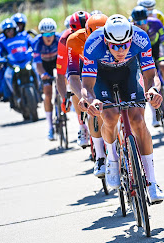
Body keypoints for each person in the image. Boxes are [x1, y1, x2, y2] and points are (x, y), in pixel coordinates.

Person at [80, 14, 164, 203]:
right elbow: (86, 84)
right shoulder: (94, 43)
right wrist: (90, 100)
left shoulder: (140, 38)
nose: (121, 50)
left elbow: (151, 75)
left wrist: (152, 89)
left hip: (128, 72)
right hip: (102, 77)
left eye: (125, 45)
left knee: (138, 121)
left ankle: (152, 182)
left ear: (131, 38)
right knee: (109, 117)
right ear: (106, 40)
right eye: (115, 46)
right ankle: (111, 157)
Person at [63, 14, 108, 178]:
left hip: (108, 69)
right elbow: (72, 76)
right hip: (86, 73)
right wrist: (85, 96)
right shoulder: (73, 41)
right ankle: (100, 156)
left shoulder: (114, 36)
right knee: (94, 109)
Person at [132, 5, 164, 126]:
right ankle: (154, 113)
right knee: (146, 79)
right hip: (142, 52)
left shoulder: (156, 23)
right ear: (133, 22)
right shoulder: (131, 30)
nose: (141, 25)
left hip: (156, 47)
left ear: (147, 19)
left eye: (144, 21)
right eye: (138, 22)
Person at [56, 11, 91, 147]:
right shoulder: (65, 40)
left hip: (90, 60)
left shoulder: (95, 30)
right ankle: (82, 126)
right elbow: (60, 74)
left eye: (85, 30)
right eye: (78, 31)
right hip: (75, 62)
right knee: (76, 87)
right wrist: (65, 97)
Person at [32, 18, 60, 140]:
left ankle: (62, 106)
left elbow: (64, 60)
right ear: (41, 34)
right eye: (46, 34)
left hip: (57, 62)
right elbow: (38, 65)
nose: (49, 37)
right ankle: (50, 127)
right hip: (44, 65)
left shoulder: (59, 40)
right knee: (47, 94)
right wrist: (43, 74)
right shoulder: (36, 42)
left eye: (51, 34)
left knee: (62, 81)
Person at [0, 18, 31, 103]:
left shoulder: (24, 36)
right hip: (12, 64)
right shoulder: (2, 40)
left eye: (11, 30)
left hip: (26, 61)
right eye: (7, 31)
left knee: (37, 69)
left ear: (15, 29)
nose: (9, 33)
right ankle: (8, 95)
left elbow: (33, 44)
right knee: (5, 76)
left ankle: (40, 88)